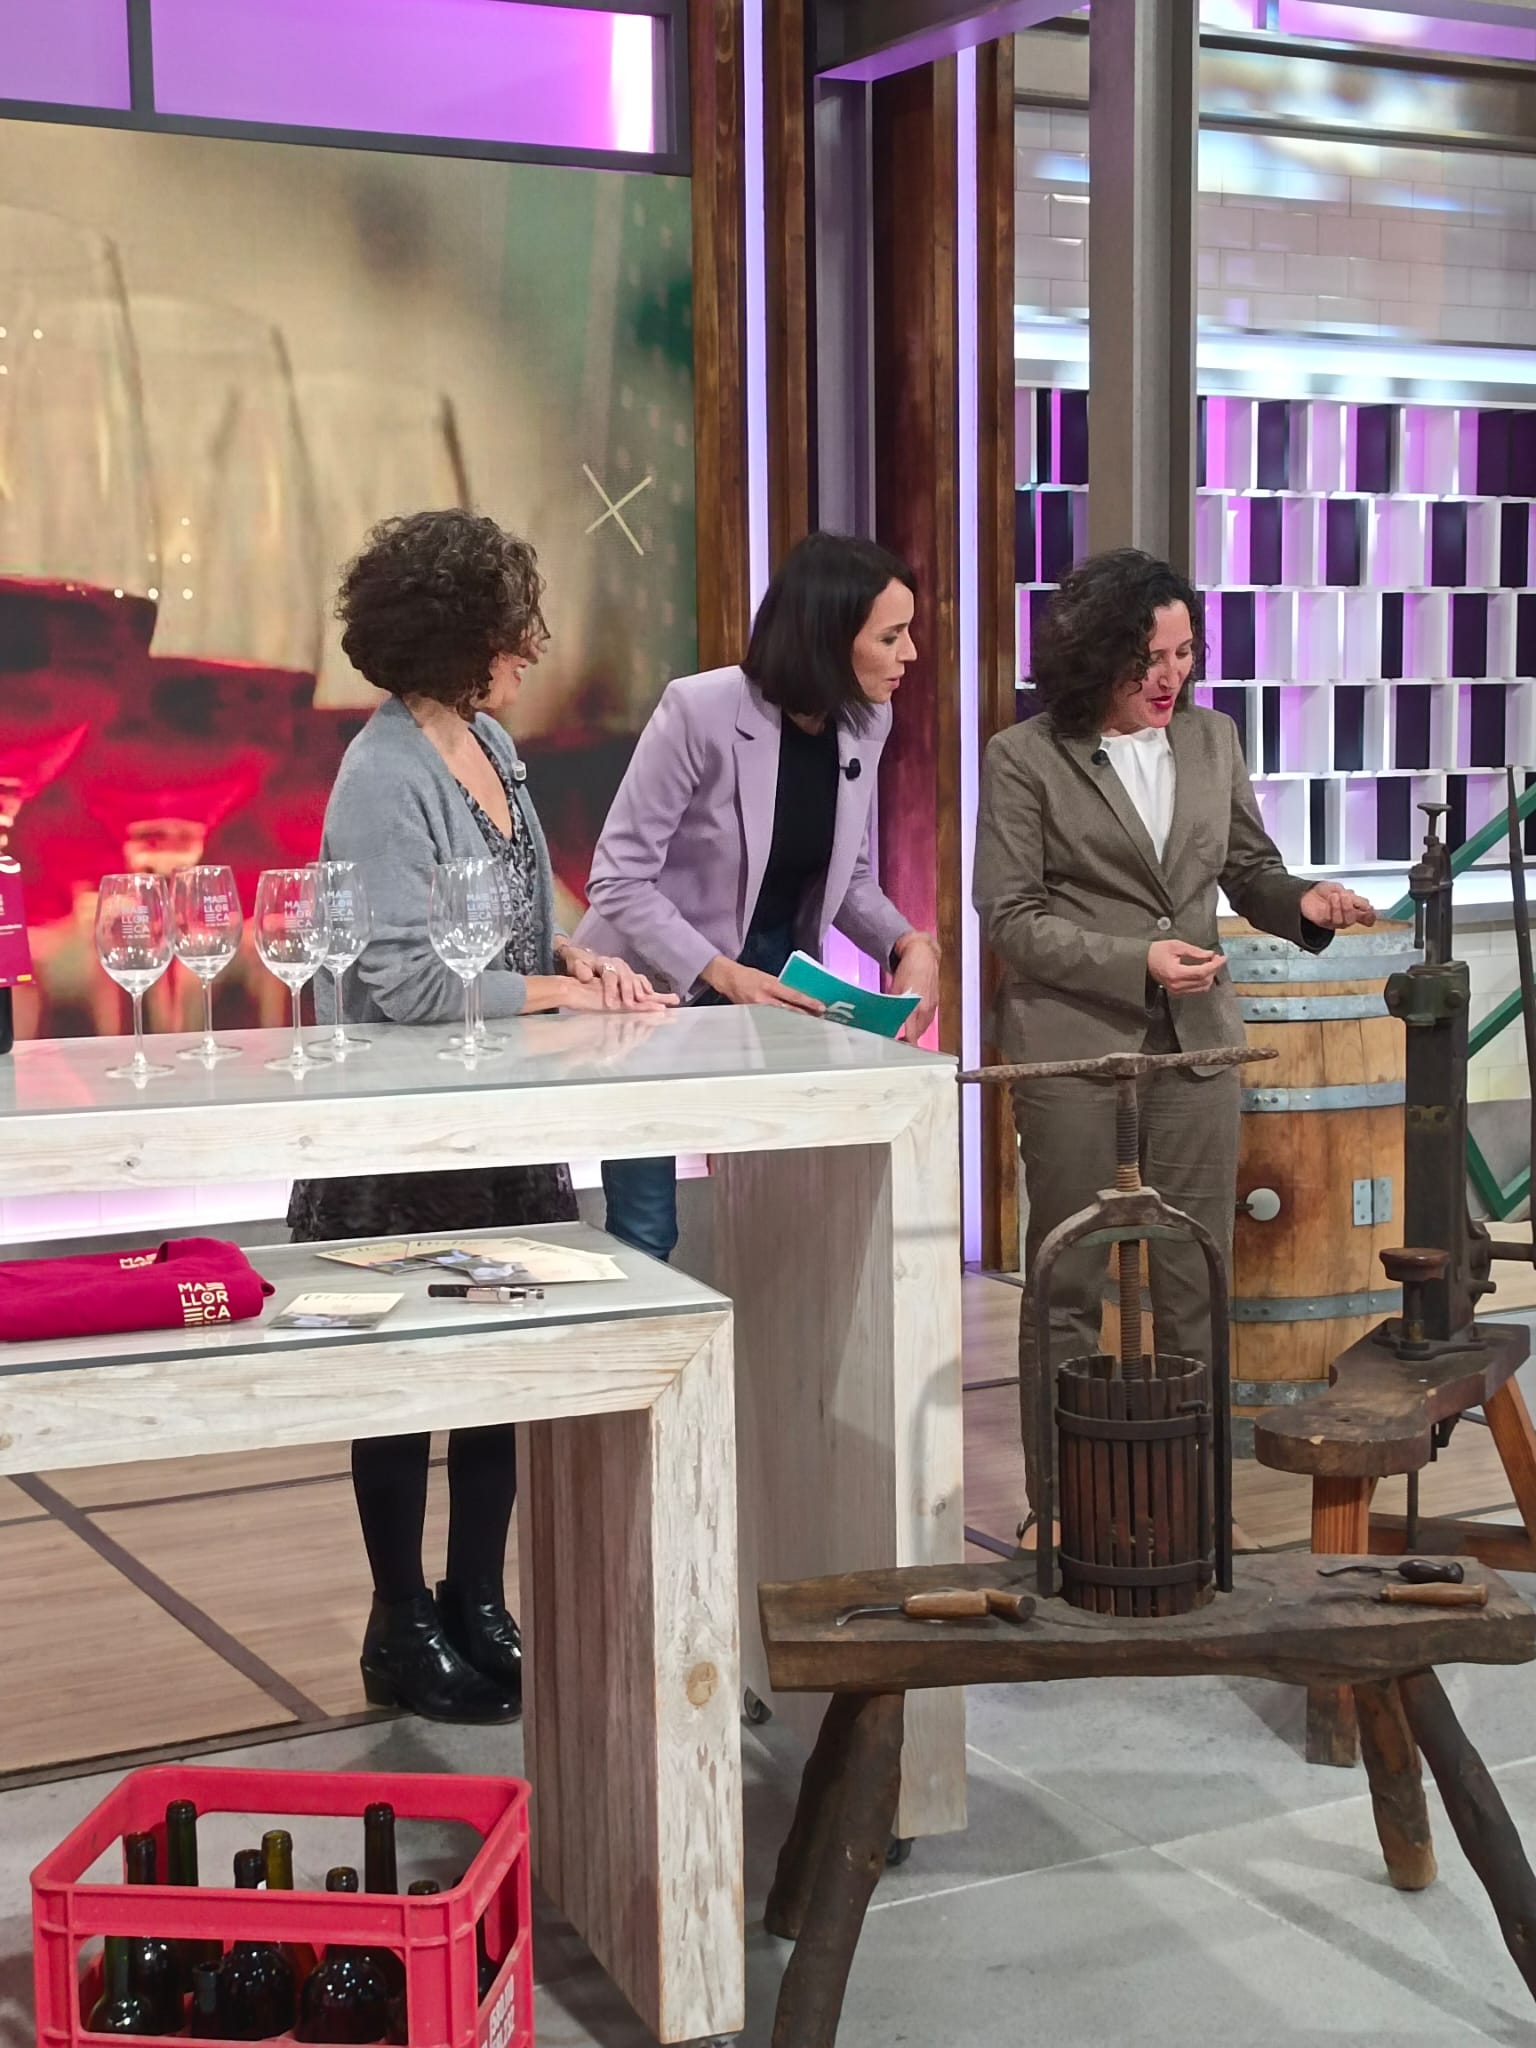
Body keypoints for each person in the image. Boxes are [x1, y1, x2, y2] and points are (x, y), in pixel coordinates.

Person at [288, 509, 673, 1725]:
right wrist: (556, 992)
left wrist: (571, 955)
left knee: (502, 1369)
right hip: (402, 1138)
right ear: (459, 637)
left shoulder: (492, 745)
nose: (533, 648)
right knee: (408, 1389)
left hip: (501, 1121)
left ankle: (478, 1602)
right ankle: (400, 1624)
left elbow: (511, 922)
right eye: (516, 628)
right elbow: (402, 982)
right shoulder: (381, 773)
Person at [973, 547, 1376, 1522]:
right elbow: (1011, 918)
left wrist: (1303, 900)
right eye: (1149, 657)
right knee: (1071, 1278)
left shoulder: (1211, 739)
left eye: (1184, 653)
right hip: (1075, 1047)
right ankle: (1063, 1505)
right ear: (1096, 654)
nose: (1171, 675)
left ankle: (1196, 1504)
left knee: (1195, 1276)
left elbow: (1248, 867)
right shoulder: (1024, 757)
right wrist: (1137, 958)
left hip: (1197, 1048)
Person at [575, 530, 943, 1263]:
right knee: (648, 1228)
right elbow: (618, 877)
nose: (910, 655)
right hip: (656, 986)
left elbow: (847, 877)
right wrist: (722, 971)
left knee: (787, 1216)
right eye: (891, 637)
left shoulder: (867, 718)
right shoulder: (700, 709)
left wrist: (911, 943)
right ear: (828, 638)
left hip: (773, 986)